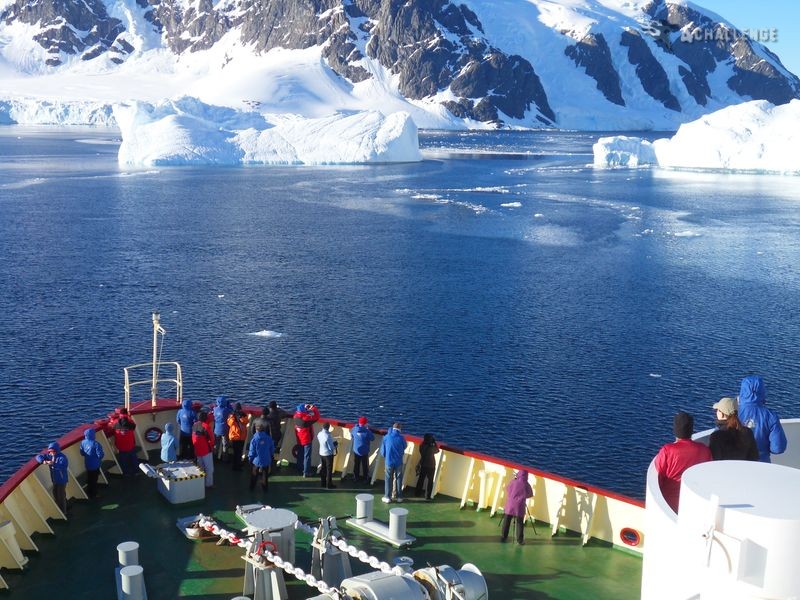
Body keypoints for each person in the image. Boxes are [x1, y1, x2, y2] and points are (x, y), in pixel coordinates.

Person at [654, 411, 712, 513]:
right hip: (695, 501)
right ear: (691, 430)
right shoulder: (704, 450)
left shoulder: (668, 450)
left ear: (675, 430)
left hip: (669, 503)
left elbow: (658, 468)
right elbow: (708, 472)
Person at [737, 375, 787, 463]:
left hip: (736, 464)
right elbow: (778, 448)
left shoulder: (732, 413)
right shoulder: (771, 416)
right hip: (762, 465)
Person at [709, 397, 758, 461]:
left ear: (722, 414)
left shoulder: (716, 436)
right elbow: (754, 457)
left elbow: (715, 461)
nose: (716, 412)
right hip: (744, 467)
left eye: (717, 410)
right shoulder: (748, 432)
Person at [500, 470, 533, 545]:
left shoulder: (513, 482)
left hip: (510, 505)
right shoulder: (526, 484)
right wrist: (523, 496)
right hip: (520, 506)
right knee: (519, 522)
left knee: (507, 521)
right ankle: (519, 540)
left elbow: (508, 489)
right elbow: (530, 494)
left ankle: (503, 537)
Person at [36, 442, 69, 514]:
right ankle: (64, 507)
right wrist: (43, 461)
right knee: (55, 494)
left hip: (61, 480)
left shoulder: (62, 458)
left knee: (61, 496)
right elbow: (38, 456)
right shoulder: (50, 456)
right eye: (50, 451)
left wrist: (53, 463)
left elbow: (62, 466)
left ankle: (64, 512)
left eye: (53, 451)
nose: (51, 453)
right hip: (55, 480)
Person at [380, 422, 407, 503]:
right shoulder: (402, 438)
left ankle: (387, 497)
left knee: (388, 478)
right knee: (398, 478)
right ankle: (399, 497)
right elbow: (405, 446)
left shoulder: (386, 437)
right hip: (398, 461)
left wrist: (386, 456)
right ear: (399, 429)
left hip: (389, 461)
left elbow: (383, 452)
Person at [294, 403, 320, 477]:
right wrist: (313, 408)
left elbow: (301, 413)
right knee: (307, 456)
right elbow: (317, 416)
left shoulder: (295, 416)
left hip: (299, 438)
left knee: (300, 454)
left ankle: (299, 469)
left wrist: (306, 409)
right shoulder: (306, 419)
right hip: (306, 440)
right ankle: (306, 472)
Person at [248, 421, 275, 492]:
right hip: (266, 459)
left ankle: (252, 487)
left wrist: (250, 459)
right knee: (265, 474)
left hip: (256, 460)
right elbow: (272, 449)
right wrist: (271, 455)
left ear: (256, 430)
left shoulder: (254, 439)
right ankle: (265, 488)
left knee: (254, 474)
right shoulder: (269, 438)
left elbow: (252, 451)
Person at [79, 427, 104, 499]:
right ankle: (94, 494)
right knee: (94, 480)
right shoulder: (96, 444)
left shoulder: (83, 442)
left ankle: (89, 492)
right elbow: (100, 455)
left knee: (89, 478)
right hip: (95, 465)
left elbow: (82, 453)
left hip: (88, 463)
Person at [192, 411, 214, 488]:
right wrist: (211, 446)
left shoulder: (194, 425)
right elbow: (211, 439)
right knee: (209, 469)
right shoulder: (206, 426)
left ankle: (200, 483)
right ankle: (208, 484)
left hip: (198, 450)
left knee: (200, 467)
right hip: (206, 451)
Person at [113, 408, 138, 477]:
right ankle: (136, 471)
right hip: (130, 445)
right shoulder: (130, 423)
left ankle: (126, 473)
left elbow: (111, 426)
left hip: (121, 446)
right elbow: (134, 426)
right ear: (126, 414)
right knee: (134, 458)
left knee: (123, 460)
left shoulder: (116, 423)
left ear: (120, 414)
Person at [414, 433, 439, 500]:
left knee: (421, 479)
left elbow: (421, 449)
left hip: (423, 464)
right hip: (431, 465)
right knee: (430, 481)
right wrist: (434, 442)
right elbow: (437, 450)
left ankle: (417, 493)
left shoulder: (422, 446)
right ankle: (428, 495)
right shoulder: (432, 448)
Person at [227, 402, 249, 471]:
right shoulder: (232, 416)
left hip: (241, 437)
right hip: (235, 437)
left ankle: (238, 464)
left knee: (239, 452)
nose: (239, 411)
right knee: (236, 453)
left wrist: (240, 417)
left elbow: (246, 421)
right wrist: (234, 416)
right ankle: (235, 466)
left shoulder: (243, 415)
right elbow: (230, 423)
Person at [351, 416, 374, 482]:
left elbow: (352, 436)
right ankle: (365, 478)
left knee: (356, 464)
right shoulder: (367, 431)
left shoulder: (354, 429)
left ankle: (356, 477)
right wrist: (368, 430)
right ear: (365, 423)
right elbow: (372, 438)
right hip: (364, 451)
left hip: (356, 450)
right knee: (365, 465)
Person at [317, 422, 337, 489]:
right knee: (329, 470)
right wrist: (335, 445)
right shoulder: (328, 436)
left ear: (323, 427)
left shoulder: (319, 434)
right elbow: (331, 447)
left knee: (323, 468)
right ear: (328, 428)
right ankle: (329, 484)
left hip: (321, 453)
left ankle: (323, 483)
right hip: (328, 455)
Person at [212, 395, 232, 461]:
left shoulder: (215, 409)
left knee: (216, 444)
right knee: (225, 445)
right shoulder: (226, 410)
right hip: (224, 430)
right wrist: (229, 405)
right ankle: (225, 459)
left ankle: (214, 457)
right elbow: (232, 411)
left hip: (217, 429)